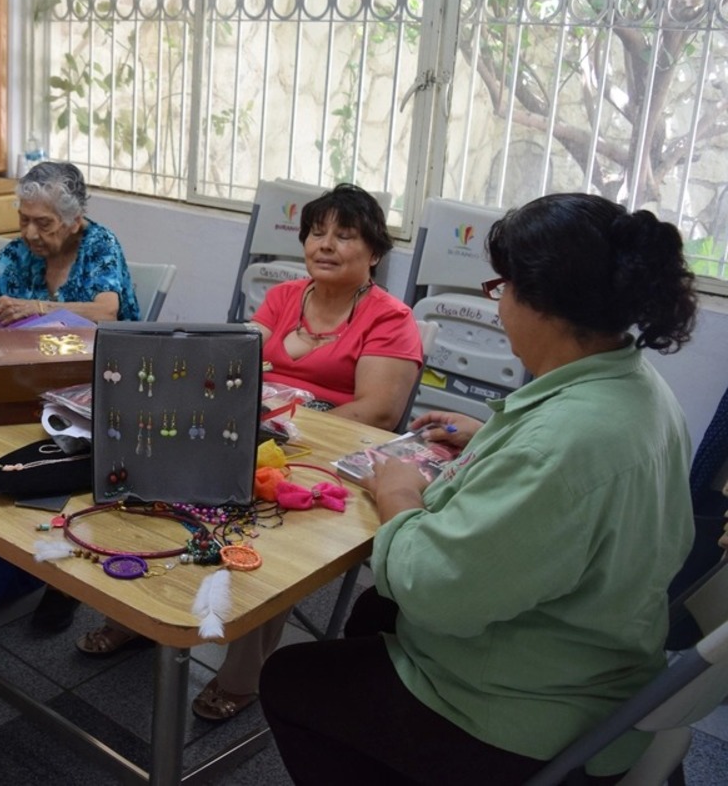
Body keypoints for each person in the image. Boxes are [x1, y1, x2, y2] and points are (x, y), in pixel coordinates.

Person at [260, 192, 698, 785]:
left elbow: (432, 588)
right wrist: (495, 433)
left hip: (519, 712)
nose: (500, 307)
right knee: (370, 612)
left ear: (541, 301)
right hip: (605, 659)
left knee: (291, 678)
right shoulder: (638, 389)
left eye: (502, 289)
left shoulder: (561, 441)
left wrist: (398, 493)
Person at [75, 184, 423, 726]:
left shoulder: (389, 319)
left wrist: (281, 419)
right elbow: (232, 361)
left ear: (374, 252)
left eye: (345, 236)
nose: (325, 245)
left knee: (273, 537)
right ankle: (139, 618)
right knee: (158, 484)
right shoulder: (286, 297)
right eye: (317, 232)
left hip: (328, 459)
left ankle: (245, 673)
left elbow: (376, 414)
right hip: (258, 436)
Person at [0, 161, 140, 324]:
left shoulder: (100, 245)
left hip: (102, 348)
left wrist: (39, 308)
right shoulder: (12, 256)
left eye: (44, 223)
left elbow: (106, 312)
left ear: (74, 222)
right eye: (24, 219)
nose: (30, 234)